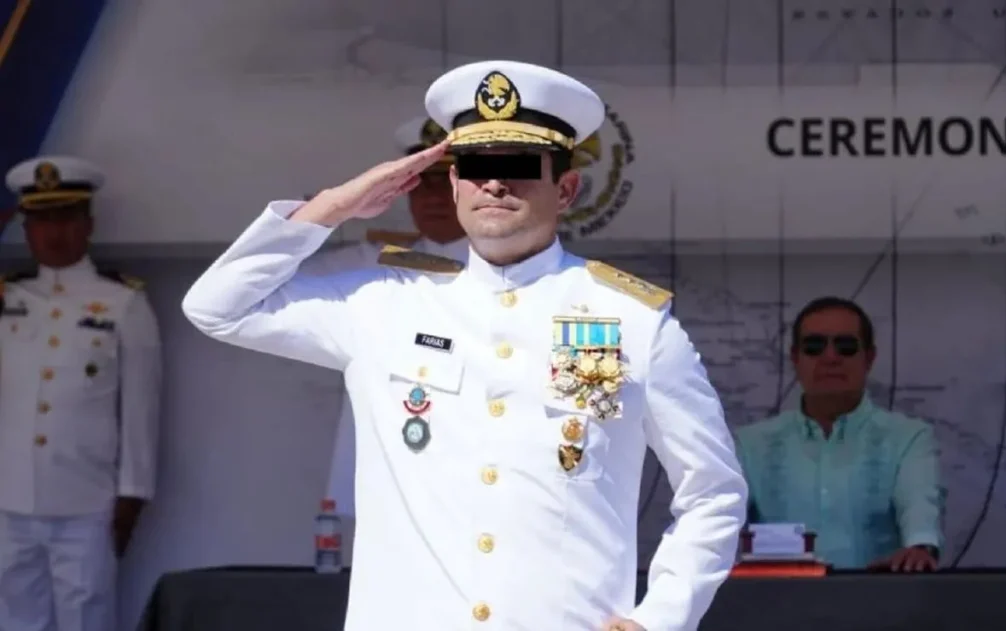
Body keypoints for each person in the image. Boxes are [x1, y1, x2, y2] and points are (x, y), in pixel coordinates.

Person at [182, 60, 746, 631]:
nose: (495, 184)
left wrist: (661, 619)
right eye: (476, 167)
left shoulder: (633, 321)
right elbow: (216, 307)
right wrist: (335, 206)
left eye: (522, 168)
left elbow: (714, 492)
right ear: (454, 184)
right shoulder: (382, 300)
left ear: (567, 188)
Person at [0, 156, 162, 631]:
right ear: (25, 229)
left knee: (87, 616)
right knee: (12, 619)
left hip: (87, 501)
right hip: (7, 497)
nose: (54, 233)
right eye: (41, 220)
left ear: (87, 224)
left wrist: (133, 494)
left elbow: (141, 408)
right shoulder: (8, 300)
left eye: (65, 218)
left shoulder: (123, 302)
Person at [302, 116, 468, 548]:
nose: (432, 198)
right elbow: (255, 286)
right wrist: (321, 215)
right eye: (421, 184)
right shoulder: (373, 261)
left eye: (446, 181)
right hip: (392, 480)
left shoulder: (519, 271)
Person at [735, 297, 942, 572]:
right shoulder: (749, 445)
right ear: (796, 359)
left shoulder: (909, 439)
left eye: (845, 346)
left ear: (868, 358)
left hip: (880, 606)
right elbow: (714, 524)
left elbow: (919, 508)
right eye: (814, 346)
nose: (830, 357)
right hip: (778, 606)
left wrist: (919, 548)